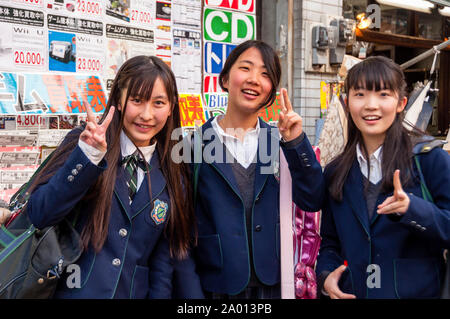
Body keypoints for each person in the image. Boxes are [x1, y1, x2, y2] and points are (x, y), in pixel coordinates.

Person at [25, 55, 203, 299]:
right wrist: (87, 158)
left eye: (158, 103)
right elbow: (39, 212)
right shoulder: (85, 144)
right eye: (137, 100)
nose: (147, 115)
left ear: (171, 106)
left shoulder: (174, 172)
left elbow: (162, 264)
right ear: (119, 100)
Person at [192, 40, 324, 298]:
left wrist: (296, 142)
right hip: (215, 287)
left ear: (271, 91)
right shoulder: (193, 145)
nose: (254, 79)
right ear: (226, 78)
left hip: (273, 284)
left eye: (265, 74)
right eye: (246, 68)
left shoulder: (279, 142)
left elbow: (313, 198)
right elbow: (181, 235)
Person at [316, 55, 450, 299]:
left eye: (383, 94)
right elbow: (330, 242)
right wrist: (326, 276)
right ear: (347, 103)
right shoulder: (336, 171)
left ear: (401, 103)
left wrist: (412, 209)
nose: (370, 105)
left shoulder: (430, 160)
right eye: (360, 94)